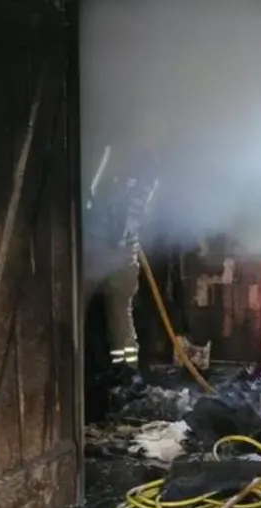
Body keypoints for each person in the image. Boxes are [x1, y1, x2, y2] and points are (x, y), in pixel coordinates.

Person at [83, 126, 163, 385]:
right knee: (121, 317)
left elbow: (92, 206)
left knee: (75, 310)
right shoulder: (147, 182)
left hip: (97, 254)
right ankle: (128, 373)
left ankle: (73, 367)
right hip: (126, 256)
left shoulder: (110, 172)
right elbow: (143, 219)